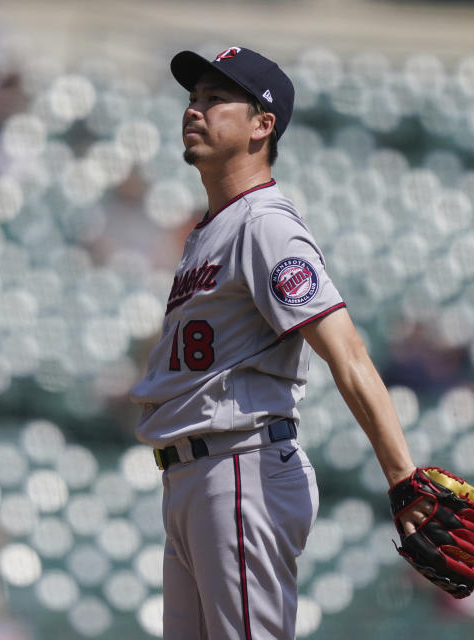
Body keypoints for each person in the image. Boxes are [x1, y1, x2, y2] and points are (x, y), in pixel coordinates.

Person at [129, 46, 429, 639]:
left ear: (262, 125)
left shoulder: (265, 224)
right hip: (193, 477)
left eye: (216, 100)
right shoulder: (211, 230)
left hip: (239, 468)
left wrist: (403, 477)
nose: (195, 110)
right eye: (193, 98)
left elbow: (345, 350)